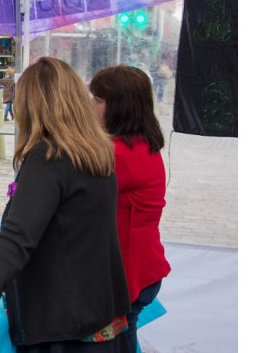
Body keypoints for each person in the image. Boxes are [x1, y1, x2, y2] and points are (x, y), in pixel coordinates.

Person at [0, 57, 131, 352]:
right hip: (96, 312)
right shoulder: (94, 152)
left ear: (32, 105)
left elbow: (17, 238)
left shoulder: (49, 157)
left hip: (64, 325)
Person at [89, 65, 172, 353]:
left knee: (119, 343)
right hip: (138, 267)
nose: (91, 106)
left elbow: (75, 195)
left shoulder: (120, 155)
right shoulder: (140, 144)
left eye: (97, 100)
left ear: (118, 106)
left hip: (128, 271)